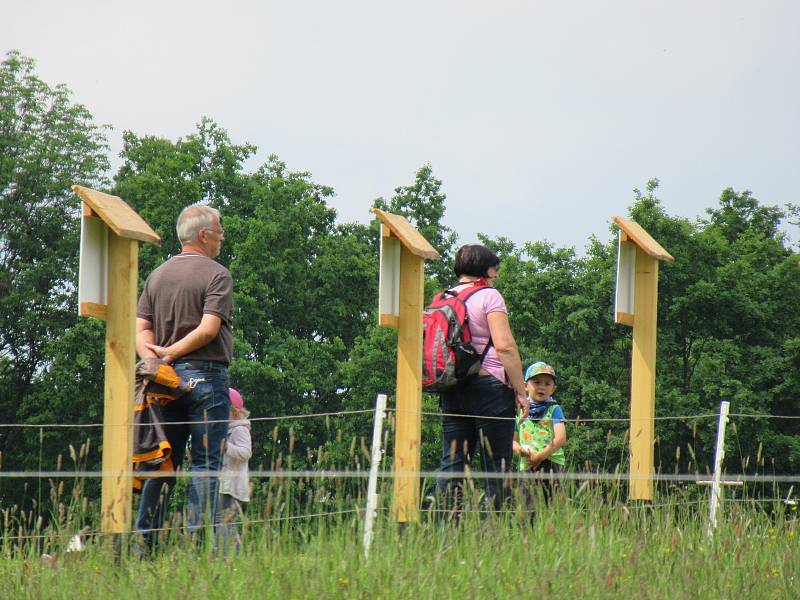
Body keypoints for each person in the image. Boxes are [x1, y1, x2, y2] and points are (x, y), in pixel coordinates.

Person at [134, 204, 233, 549]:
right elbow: (208, 329)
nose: (222, 236)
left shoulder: (156, 276)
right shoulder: (217, 274)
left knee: (164, 462)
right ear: (204, 235)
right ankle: (197, 545)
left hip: (164, 382)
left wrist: (154, 359)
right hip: (205, 376)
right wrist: (174, 353)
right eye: (219, 230)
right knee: (206, 463)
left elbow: (141, 327)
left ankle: (145, 545)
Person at [435, 244, 528, 513]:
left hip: (452, 386)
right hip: (490, 386)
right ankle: (494, 531)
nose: (496, 275)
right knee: (496, 466)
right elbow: (505, 346)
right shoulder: (490, 296)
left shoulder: (442, 297)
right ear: (484, 270)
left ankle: (446, 533)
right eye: (494, 269)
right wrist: (520, 391)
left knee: (452, 463)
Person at [513, 361, 567, 504]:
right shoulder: (520, 411)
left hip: (552, 463)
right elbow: (512, 440)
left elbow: (561, 438)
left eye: (547, 383)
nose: (541, 387)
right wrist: (519, 449)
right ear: (525, 386)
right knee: (528, 509)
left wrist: (541, 456)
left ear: (553, 389)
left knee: (553, 506)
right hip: (528, 464)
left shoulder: (554, 409)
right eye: (537, 382)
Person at [217, 388, 251, 555]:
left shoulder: (240, 429)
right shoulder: (227, 428)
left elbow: (246, 452)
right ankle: (224, 554)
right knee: (223, 522)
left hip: (233, 486)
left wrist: (226, 447)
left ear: (235, 412)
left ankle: (232, 554)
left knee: (226, 522)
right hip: (224, 483)